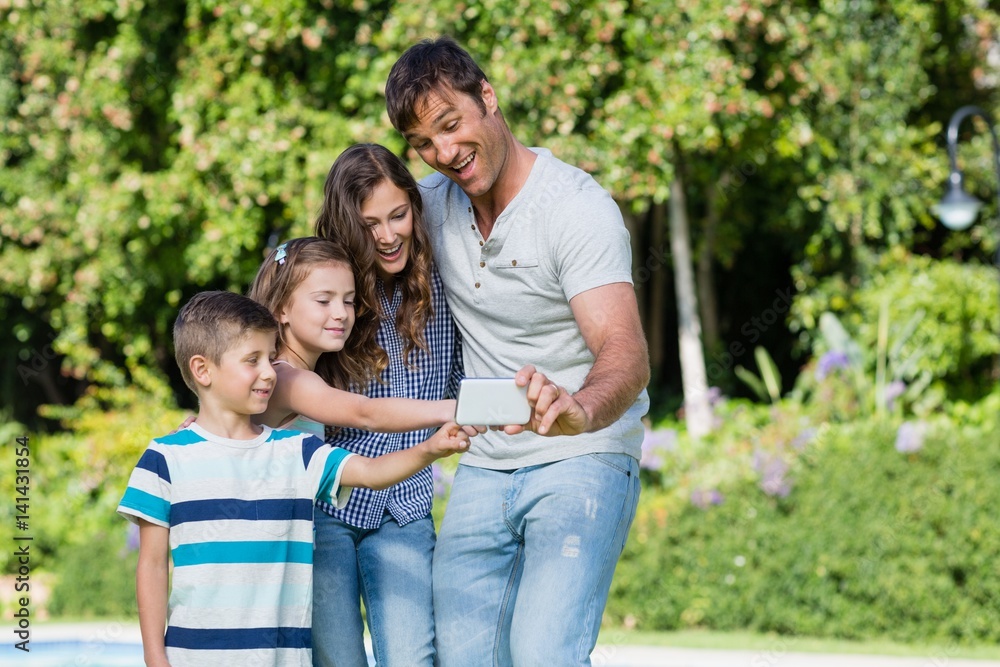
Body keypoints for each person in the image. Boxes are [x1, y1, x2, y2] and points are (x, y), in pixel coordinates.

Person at [385, 36, 651, 666]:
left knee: (542, 654)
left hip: (583, 454)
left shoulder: (575, 209)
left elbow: (625, 348)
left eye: (452, 126)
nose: (444, 153)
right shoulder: (427, 207)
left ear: (489, 98)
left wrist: (579, 408)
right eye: (424, 143)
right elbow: (337, 269)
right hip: (484, 463)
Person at [117, 290, 470, 667]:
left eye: (270, 358)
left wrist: (430, 449)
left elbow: (371, 473)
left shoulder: (297, 451)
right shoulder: (165, 459)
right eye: (252, 360)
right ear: (203, 370)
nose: (270, 372)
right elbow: (152, 566)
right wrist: (155, 657)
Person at [309, 143, 464, 667]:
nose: (387, 234)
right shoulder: (330, 292)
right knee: (337, 660)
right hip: (328, 503)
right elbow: (267, 354)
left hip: (405, 503)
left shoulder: (443, 286)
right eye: (369, 223)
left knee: (411, 657)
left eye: (398, 215)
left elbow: (470, 373)